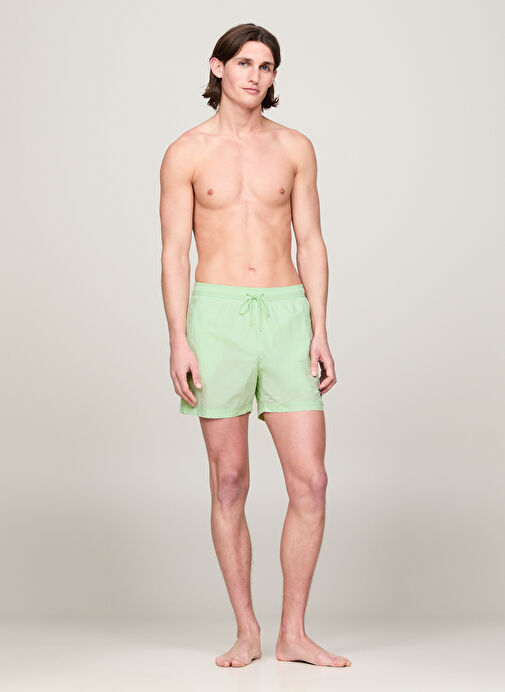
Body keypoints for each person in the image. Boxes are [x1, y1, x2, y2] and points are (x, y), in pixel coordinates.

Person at [159, 22, 351, 669]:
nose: (256, 76)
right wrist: (179, 338)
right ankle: (246, 630)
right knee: (229, 481)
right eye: (245, 63)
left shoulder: (294, 147)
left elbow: (312, 241)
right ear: (218, 68)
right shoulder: (185, 152)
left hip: (286, 313)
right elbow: (174, 252)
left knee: (311, 482)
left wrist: (319, 328)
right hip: (216, 319)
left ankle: (293, 632)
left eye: (266, 67)